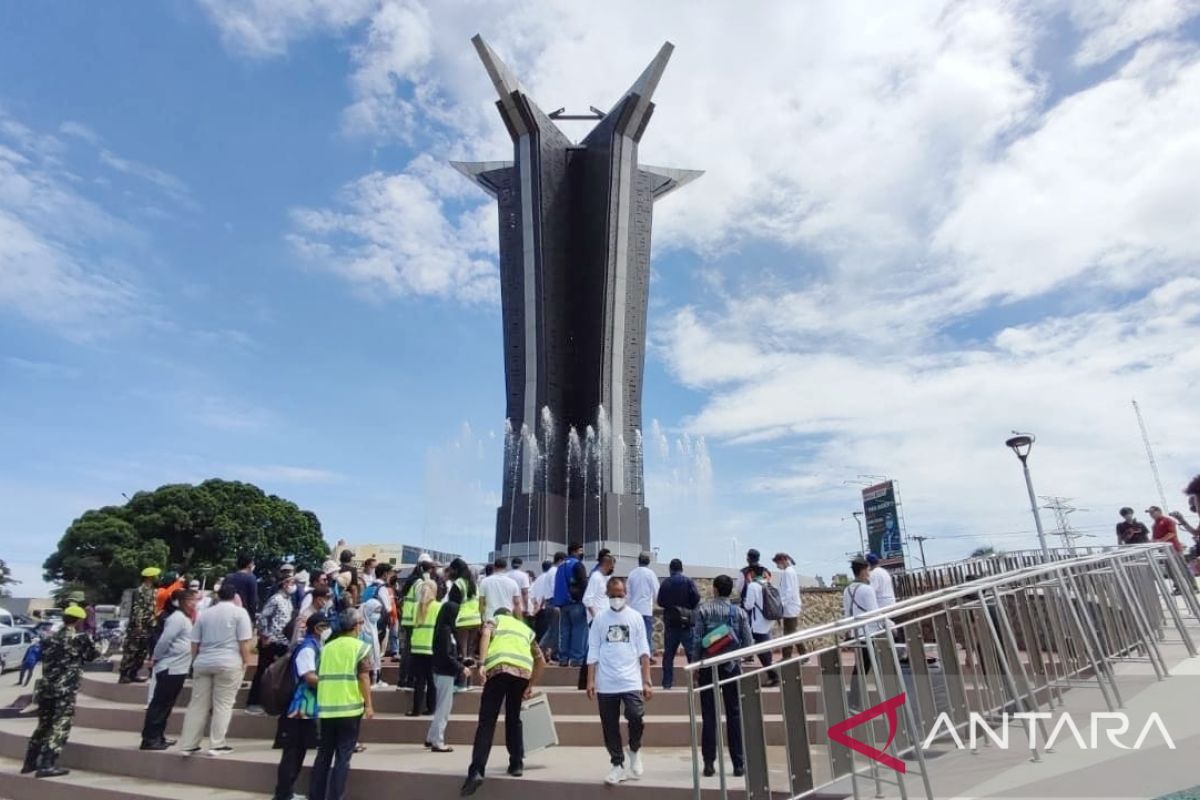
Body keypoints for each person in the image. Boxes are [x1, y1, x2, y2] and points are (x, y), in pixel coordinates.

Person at [460, 607, 545, 796]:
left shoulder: (495, 619)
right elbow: (541, 661)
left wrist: (481, 664)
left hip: (499, 669)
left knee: (487, 722)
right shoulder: (525, 629)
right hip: (522, 672)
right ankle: (516, 763)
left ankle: (476, 771)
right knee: (513, 718)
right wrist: (531, 685)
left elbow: (485, 635)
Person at [587, 577, 652, 785]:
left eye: (620, 594)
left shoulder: (635, 618)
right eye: (613, 595)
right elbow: (593, 649)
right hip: (606, 681)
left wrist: (647, 680)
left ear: (626, 594)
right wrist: (590, 680)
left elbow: (644, 650)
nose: (617, 598)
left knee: (636, 716)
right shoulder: (599, 619)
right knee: (609, 725)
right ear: (607, 595)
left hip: (631, 679)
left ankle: (634, 749)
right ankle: (617, 764)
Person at [21, 604, 98, 778]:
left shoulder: (49, 638)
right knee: (60, 726)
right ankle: (47, 764)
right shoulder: (80, 639)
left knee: (43, 726)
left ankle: (30, 762)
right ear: (78, 621)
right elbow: (92, 656)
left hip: (46, 688)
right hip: (65, 690)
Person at [179, 582, 254, 756]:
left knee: (197, 704)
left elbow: (194, 642)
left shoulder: (205, 614)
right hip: (229, 661)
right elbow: (245, 642)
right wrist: (246, 662)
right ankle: (217, 744)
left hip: (203, 661)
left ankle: (189, 744)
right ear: (235, 596)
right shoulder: (240, 613)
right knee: (223, 705)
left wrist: (195, 661)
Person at [309, 609, 374, 800]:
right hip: (349, 707)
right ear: (355, 626)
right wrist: (369, 705)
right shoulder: (360, 647)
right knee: (343, 758)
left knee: (323, 756)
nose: (362, 626)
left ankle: (316, 795)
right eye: (361, 623)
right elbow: (364, 677)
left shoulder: (327, 647)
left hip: (326, 707)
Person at [691, 575, 751, 778]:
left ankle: (709, 763)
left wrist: (695, 666)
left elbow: (697, 640)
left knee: (709, 716)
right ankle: (739, 764)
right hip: (732, 667)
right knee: (734, 714)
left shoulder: (703, 610)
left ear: (715, 589)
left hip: (708, 666)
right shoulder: (740, 612)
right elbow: (749, 644)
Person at [273, 611, 330, 800]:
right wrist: (330, 683)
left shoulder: (313, 645)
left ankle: (286, 792)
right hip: (301, 707)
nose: (327, 630)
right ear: (317, 628)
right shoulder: (307, 648)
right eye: (324, 627)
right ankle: (283, 793)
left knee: (298, 751)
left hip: (307, 707)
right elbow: (309, 676)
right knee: (293, 753)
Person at [140, 589, 196, 750]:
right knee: (159, 704)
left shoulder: (184, 619)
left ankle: (159, 736)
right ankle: (150, 739)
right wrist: (155, 658)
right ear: (183, 602)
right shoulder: (177, 619)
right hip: (170, 667)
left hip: (178, 668)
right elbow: (164, 641)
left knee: (166, 705)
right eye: (192, 600)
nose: (195, 604)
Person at [247, 576, 297, 714]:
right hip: (271, 641)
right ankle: (254, 702)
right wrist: (264, 636)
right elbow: (263, 617)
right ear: (284, 583)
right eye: (292, 582)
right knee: (262, 672)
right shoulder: (275, 599)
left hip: (283, 641)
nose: (294, 586)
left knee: (277, 674)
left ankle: (270, 702)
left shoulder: (288, 600)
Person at [429, 600, 471, 752]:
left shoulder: (441, 629)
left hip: (441, 671)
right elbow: (447, 655)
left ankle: (431, 737)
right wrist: (461, 668)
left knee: (441, 706)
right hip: (445, 672)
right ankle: (438, 741)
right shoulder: (446, 632)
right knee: (444, 708)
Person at [844, 558, 884, 709]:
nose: (869, 573)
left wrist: (848, 632)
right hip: (870, 632)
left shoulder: (847, 590)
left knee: (861, 667)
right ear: (862, 571)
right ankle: (854, 700)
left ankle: (854, 699)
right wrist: (887, 626)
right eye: (868, 570)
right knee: (866, 666)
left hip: (857, 632)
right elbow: (874, 612)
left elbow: (847, 614)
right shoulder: (867, 590)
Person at [657, 558, 700, 690]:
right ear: (681, 569)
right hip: (686, 623)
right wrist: (687, 608)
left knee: (669, 655)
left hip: (671, 622)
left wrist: (671, 607)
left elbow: (660, 601)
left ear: (670, 569)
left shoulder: (665, 583)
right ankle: (695, 681)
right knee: (691, 654)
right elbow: (696, 598)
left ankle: (667, 682)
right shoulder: (688, 582)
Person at [118, 566, 159, 683]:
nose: (157, 578)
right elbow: (137, 609)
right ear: (149, 577)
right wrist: (138, 624)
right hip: (137, 626)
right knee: (131, 650)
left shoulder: (154, 591)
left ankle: (133, 673)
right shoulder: (139, 591)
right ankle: (124, 674)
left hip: (148, 626)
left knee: (142, 652)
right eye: (155, 576)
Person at [742, 565, 779, 687]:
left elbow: (748, 605)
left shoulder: (753, 586)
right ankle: (772, 673)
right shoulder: (767, 583)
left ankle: (773, 676)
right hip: (769, 619)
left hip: (758, 622)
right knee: (764, 647)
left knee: (761, 649)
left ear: (752, 573)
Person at [553, 543, 590, 667]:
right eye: (580, 550)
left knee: (564, 632)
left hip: (563, 604)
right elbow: (584, 584)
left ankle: (563, 658)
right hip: (576, 603)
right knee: (579, 631)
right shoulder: (577, 565)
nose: (582, 553)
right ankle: (576, 659)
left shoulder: (560, 566)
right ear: (574, 551)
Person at [407, 581, 439, 717]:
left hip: (417, 647)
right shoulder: (438, 607)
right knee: (432, 680)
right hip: (432, 647)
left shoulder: (415, 607)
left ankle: (416, 710)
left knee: (419, 681)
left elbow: (410, 625)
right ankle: (431, 708)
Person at [626, 551, 659, 660]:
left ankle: (634, 655)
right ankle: (646, 656)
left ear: (638, 561)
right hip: (646, 609)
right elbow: (656, 591)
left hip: (633, 609)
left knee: (634, 634)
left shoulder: (632, 573)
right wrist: (658, 603)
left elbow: (628, 593)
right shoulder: (650, 574)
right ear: (648, 562)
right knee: (646, 634)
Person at [772, 553, 804, 661]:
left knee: (789, 632)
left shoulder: (788, 572)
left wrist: (781, 603)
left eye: (777, 563)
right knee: (792, 632)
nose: (777, 566)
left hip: (790, 606)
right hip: (790, 606)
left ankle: (788, 656)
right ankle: (802, 655)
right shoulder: (789, 572)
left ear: (782, 561)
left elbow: (789, 591)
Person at [532, 553, 563, 660]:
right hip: (553, 603)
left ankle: (542, 650)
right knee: (555, 631)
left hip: (545, 606)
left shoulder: (542, 577)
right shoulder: (555, 572)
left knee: (550, 630)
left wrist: (538, 606)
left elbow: (536, 595)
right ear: (560, 560)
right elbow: (555, 589)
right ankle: (547, 651)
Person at [479, 557, 522, 622]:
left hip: (490, 618)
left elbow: (481, 604)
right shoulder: (513, 583)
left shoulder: (484, 581)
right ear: (506, 567)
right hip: (507, 618)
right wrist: (519, 621)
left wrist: (482, 620)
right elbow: (517, 604)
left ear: (494, 567)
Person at [224, 553, 259, 623]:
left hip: (227, 613)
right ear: (249, 564)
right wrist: (252, 618)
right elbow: (252, 601)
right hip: (243, 615)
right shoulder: (251, 578)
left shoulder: (228, 577)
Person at [584, 554, 616, 623]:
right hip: (598, 618)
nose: (613, 569)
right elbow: (587, 599)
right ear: (605, 565)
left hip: (607, 617)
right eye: (612, 567)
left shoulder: (608, 577)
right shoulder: (596, 577)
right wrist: (596, 617)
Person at [509, 557, 532, 623]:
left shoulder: (506, 575)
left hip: (507, 606)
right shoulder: (524, 575)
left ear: (511, 564)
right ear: (521, 565)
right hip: (519, 607)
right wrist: (526, 608)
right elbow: (525, 592)